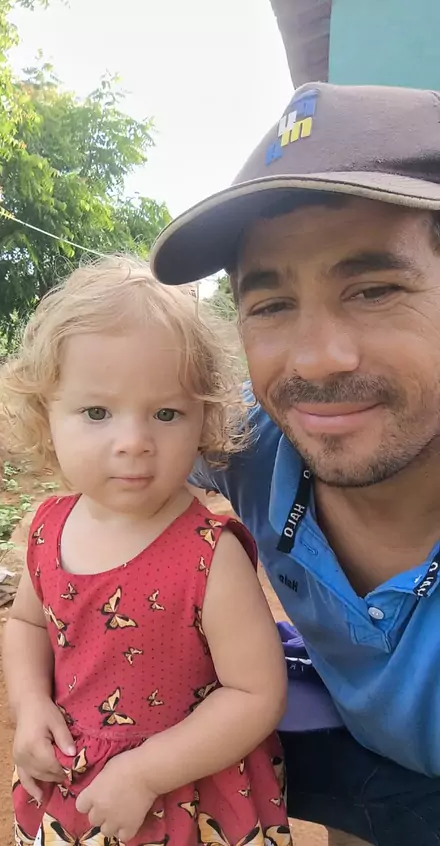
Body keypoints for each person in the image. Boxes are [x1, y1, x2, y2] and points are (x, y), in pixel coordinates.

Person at [150, 81, 440, 845]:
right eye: (272, 304)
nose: (316, 360)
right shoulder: (252, 440)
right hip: (367, 756)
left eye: (374, 289)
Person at [0, 256, 291, 846]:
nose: (134, 442)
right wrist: (29, 704)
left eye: (166, 413)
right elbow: (28, 624)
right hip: (71, 787)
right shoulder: (47, 528)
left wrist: (145, 772)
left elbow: (256, 694)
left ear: (204, 420)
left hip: (184, 796)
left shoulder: (209, 556)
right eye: (97, 412)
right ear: (45, 414)